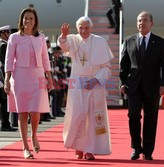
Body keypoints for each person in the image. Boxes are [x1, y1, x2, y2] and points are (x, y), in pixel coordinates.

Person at [57, 16, 113, 160]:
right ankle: (78, 147)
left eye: (86, 28)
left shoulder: (100, 42)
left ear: (91, 28)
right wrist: (63, 35)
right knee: (77, 115)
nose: (83, 31)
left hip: (94, 84)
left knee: (93, 117)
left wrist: (95, 80)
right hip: (77, 84)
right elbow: (64, 45)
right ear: (77, 29)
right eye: (81, 28)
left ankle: (90, 150)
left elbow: (107, 68)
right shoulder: (74, 39)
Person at [119, 11, 164, 160]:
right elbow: (124, 65)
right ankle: (136, 147)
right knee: (133, 115)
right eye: (139, 21)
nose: (142, 23)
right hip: (133, 86)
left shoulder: (160, 42)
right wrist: (122, 83)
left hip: (153, 86)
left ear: (151, 23)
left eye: (145, 20)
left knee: (151, 119)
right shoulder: (129, 41)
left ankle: (148, 151)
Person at [4, 7, 53, 159]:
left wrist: (49, 78)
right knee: (23, 111)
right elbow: (9, 59)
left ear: (35, 21)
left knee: (36, 111)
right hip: (20, 77)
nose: (28, 21)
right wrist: (7, 79)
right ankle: (25, 147)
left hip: (37, 76)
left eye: (31, 18)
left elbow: (46, 59)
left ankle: (34, 135)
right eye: (26, 18)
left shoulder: (41, 38)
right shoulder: (14, 37)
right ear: (21, 20)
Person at [0, 25, 17, 132]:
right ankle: (4, 124)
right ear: (2, 34)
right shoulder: (3, 47)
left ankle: (6, 123)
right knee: (4, 102)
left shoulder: (6, 46)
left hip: (6, 78)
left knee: (6, 101)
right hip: (3, 78)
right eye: (7, 33)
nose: (9, 35)